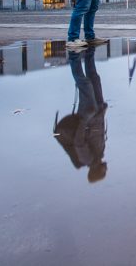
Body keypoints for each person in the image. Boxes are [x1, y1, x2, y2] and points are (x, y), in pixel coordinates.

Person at [54, 47, 108, 183]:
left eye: (103, 172)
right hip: (99, 110)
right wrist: (103, 112)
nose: (106, 169)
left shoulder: (87, 159)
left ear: (96, 171)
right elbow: (100, 132)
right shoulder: (99, 155)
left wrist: (85, 119)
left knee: (85, 84)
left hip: (89, 112)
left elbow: (79, 142)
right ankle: (90, 51)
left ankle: (74, 55)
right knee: (95, 79)